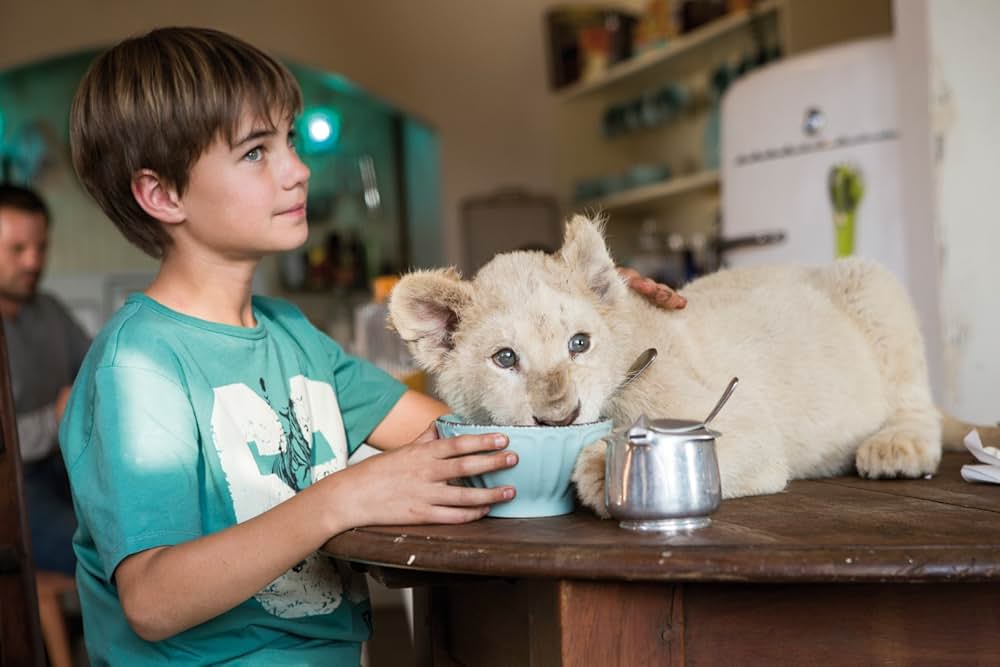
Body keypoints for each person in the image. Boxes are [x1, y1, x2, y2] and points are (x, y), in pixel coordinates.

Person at [62, 27, 686, 666]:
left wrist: (594, 321)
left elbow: (477, 439)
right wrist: (340, 499)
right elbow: (152, 600)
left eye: (291, 140)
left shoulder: (291, 335)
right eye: (255, 152)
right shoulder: (138, 367)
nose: (298, 170)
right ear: (162, 195)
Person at [0, 184, 90, 667]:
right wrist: (59, 416)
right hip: (12, 491)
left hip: (64, 468)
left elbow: (95, 368)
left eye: (40, 247)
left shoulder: (50, 310)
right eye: (17, 249)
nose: (33, 260)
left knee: (143, 525)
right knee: (101, 548)